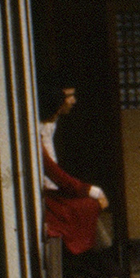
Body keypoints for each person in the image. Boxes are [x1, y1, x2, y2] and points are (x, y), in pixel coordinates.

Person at [39, 82, 110, 255]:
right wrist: (89, 190)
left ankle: (99, 257)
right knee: (87, 205)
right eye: (69, 96)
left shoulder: (50, 122)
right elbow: (51, 169)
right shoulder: (36, 127)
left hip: (53, 187)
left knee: (89, 207)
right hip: (46, 191)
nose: (73, 101)